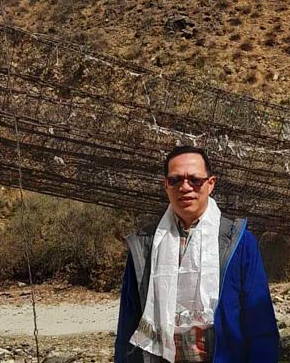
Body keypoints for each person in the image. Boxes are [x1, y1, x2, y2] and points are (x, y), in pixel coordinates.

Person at [115, 145, 279, 363]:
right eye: (175, 180)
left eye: (195, 180)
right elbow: (128, 319)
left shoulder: (239, 242)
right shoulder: (145, 244)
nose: (185, 187)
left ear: (210, 184)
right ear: (166, 185)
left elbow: (260, 323)